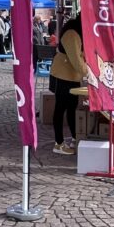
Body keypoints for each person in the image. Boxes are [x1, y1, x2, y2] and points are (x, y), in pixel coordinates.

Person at [49, 15, 86, 155]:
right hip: (62, 75)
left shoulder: (76, 31)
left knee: (71, 108)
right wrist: (89, 72)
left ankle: (75, 138)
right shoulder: (72, 33)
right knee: (60, 108)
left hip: (71, 76)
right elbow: (76, 58)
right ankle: (58, 143)